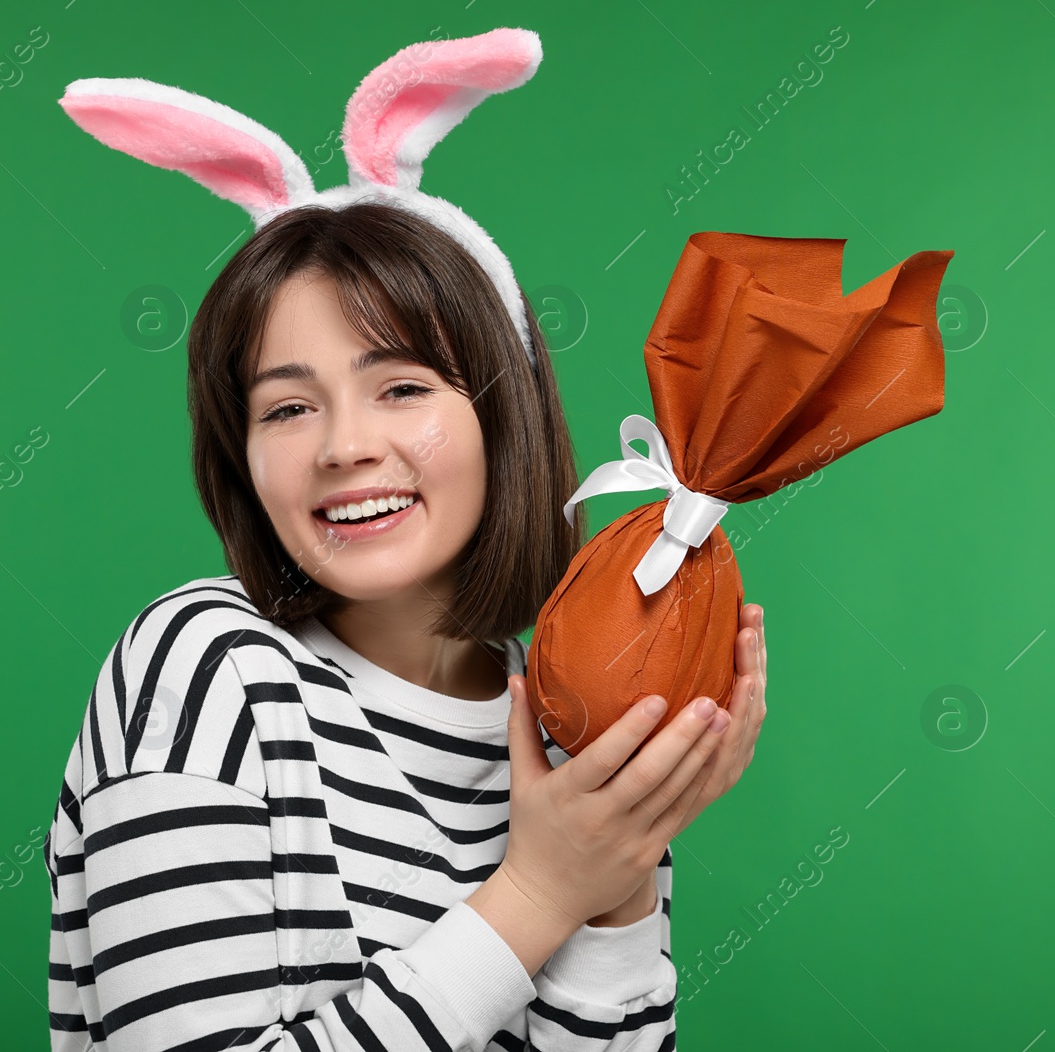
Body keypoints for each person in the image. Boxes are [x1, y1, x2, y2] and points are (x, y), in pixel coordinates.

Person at [44, 201, 769, 1051]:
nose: (344, 445)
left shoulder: (564, 730)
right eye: (286, 408)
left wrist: (619, 869)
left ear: (504, 419)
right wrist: (540, 891)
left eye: (402, 388)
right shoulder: (206, 666)